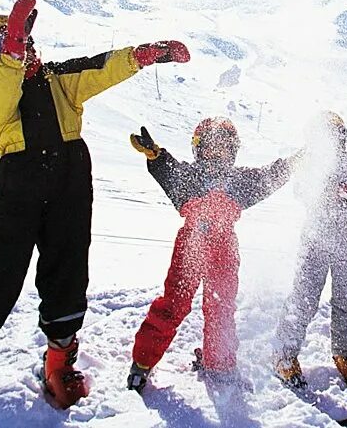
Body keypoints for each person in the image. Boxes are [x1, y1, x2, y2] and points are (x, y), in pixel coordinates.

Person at [0, 0, 190, 427]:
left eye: (23, 39)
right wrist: (9, 54)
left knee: (68, 272)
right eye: (6, 44)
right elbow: (4, 95)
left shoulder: (57, 79)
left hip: (70, 178)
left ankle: (60, 360)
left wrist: (144, 56)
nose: (22, 47)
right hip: (20, 183)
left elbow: (100, 68)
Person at [126, 118, 300, 391]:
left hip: (225, 249)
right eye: (211, 147)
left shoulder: (239, 180)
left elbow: (268, 176)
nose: (217, 153)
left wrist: (294, 163)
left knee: (221, 308)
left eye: (224, 147)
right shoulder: (188, 176)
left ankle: (219, 364)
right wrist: (155, 155)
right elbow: (167, 169)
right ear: (199, 149)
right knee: (174, 304)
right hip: (191, 245)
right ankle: (143, 363)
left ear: (233, 151)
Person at [273, 111, 347, 389]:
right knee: (304, 295)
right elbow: (301, 192)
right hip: (317, 236)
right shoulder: (309, 161)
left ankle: (346, 353)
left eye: (334, 134)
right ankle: (284, 352)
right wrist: (323, 188)